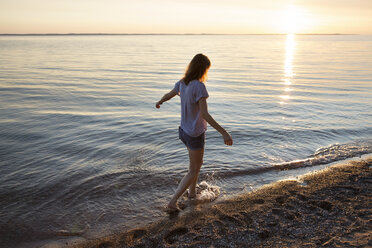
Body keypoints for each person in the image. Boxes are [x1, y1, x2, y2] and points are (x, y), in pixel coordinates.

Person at [155, 53, 233, 212]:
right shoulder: (199, 87)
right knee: (194, 169)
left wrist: (160, 101)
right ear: (203, 69)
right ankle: (172, 202)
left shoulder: (182, 83)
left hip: (183, 131)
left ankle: (191, 193)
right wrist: (224, 133)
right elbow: (204, 114)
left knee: (196, 165)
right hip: (195, 134)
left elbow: (169, 95)